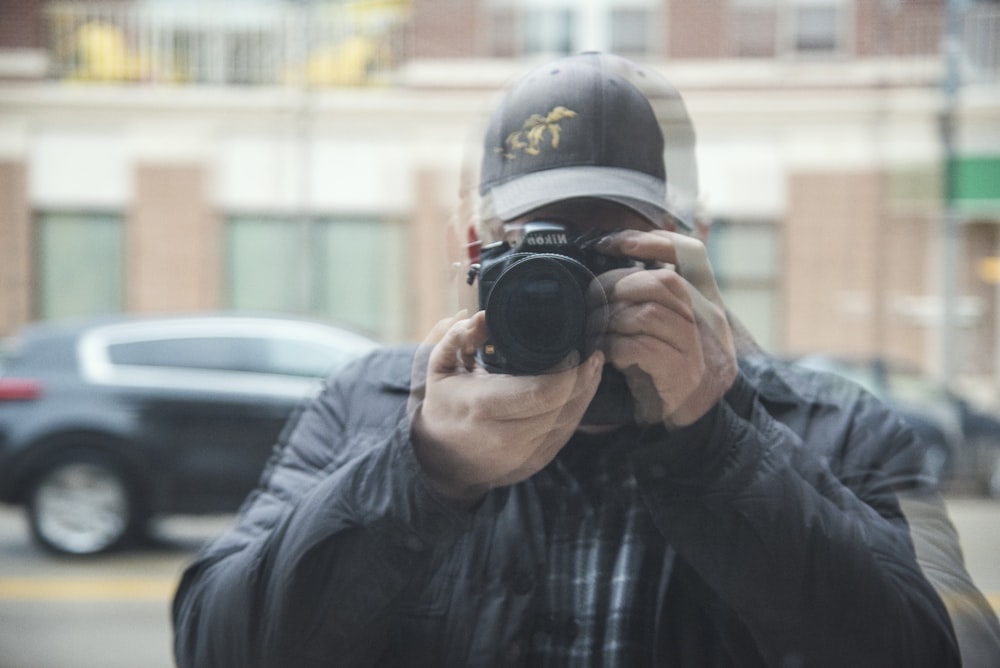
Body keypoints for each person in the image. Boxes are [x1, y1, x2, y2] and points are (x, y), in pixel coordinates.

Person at [172, 53, 1000, 667]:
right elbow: (214, 645)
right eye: (536, 252)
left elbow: (947, 651)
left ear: (693, 254)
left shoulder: (844, 430)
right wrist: (423, 472)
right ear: (474, 253)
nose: (570, 289)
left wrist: (717, 442)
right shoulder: (370, 405)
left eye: (612, 252)